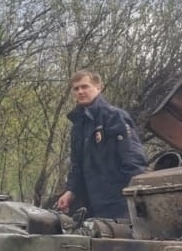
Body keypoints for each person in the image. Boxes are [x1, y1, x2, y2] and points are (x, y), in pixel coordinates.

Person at [54, 70, 147, 219]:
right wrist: (70, 191)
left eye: (85, 87)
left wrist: (136, 197)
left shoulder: (115, 117)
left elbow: (133, 159)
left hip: (119, 202)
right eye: (76, 88)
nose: (80, 92)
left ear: (99, 87)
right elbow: (77, 165)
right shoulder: (78, 125)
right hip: (90, 204)